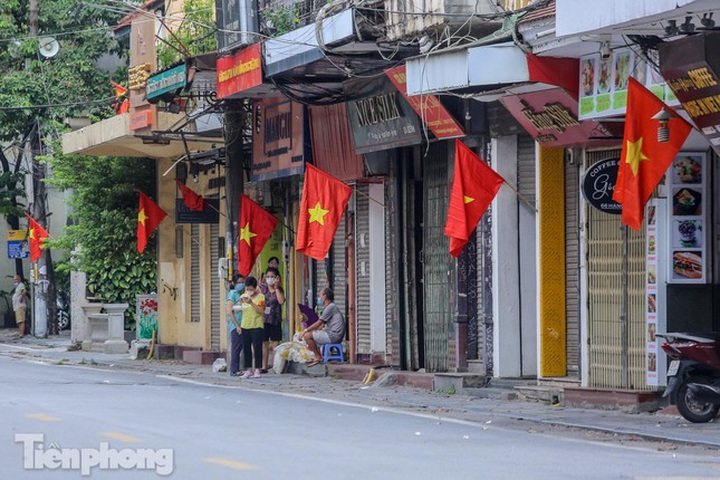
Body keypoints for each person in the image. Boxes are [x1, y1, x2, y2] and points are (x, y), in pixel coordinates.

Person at [301, 287, 345, 366]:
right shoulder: (329, 308)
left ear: (325, 297)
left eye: (320, 296)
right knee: (313, 334)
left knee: (307, 336)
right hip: (332, 334)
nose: (319, 298)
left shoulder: (331, 307)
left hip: (333, 336)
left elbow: (319, 323)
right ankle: (318, 356)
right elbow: (322, 325)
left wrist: (306, 330)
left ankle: (318, 357)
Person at [239, 276, 266, 379]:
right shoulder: (243, 296)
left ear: (255, 288)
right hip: (245, 325)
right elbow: (239, 310)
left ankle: (258, 369)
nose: (249, 291)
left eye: (251, 289)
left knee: (257, 348)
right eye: (247, 289)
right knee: (246, 348)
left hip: (256, 326)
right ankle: (248, 369)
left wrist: (251, 302)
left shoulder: (261, 297)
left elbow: (261, 311)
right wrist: (240, 304)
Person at [260, 267, 285, 373]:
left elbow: (281, 301)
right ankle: (264, 366)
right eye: (268, 276)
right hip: (264, 319)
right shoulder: (262, 288)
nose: (269, 278)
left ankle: (276, 366)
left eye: (272, 277)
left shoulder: (279, 289)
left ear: (277, 278)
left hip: (275, 319)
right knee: (264, 343)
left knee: (275, 343)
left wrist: (276, 287)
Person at [226, 273, 245, 376]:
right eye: (239, 283)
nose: (241, 284)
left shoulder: (243, 294)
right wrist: (237, 325)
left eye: (243, 282)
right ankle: (234, 369)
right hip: (236, 326)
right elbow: (229, 311)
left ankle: (239, 368)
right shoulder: (232, 294)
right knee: (236, 347)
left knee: (241, 347)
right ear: (233, 283)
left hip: (244, 324)